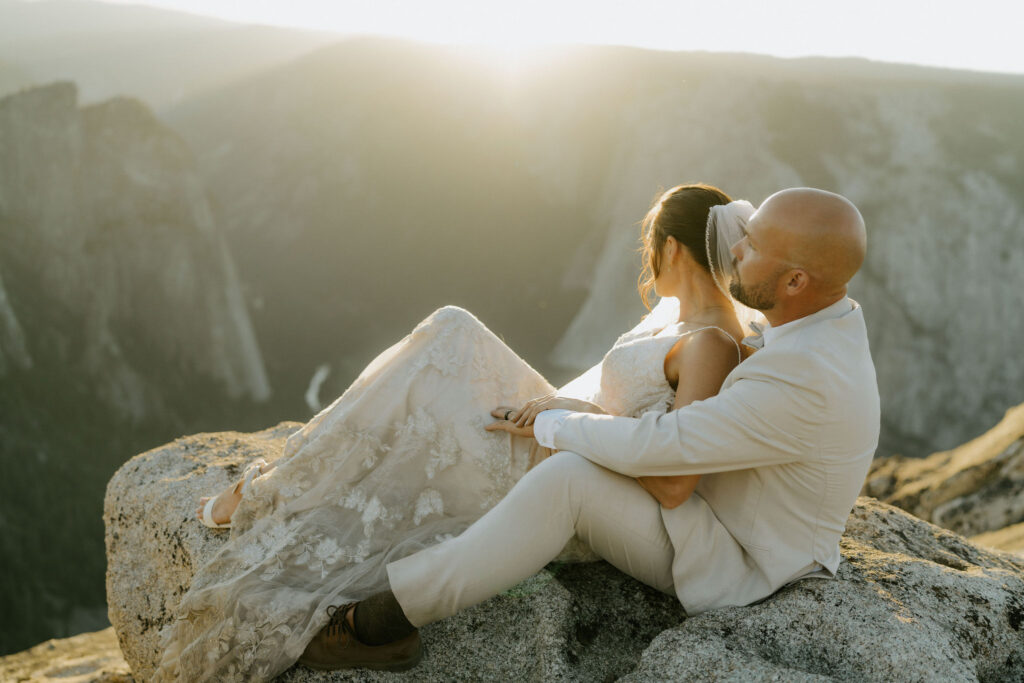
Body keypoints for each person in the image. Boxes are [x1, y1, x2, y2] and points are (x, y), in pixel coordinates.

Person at [156, 183, 753, 681]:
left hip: (580, 477)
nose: (647, 263)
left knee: (444, 354)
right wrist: (549, 406)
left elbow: (674, 474)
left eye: (650, 248)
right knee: (450, 336)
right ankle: (290, 474)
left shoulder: (711, 343)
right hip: (562, 434)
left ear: (671, 248)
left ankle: (274, 488)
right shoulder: (677, 318)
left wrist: (570, 418)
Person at [297, 187, 880, 673]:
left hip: (740, 561)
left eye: (752, 247)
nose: (735, 250)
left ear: (795, 282)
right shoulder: (818, 330)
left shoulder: (805, 378)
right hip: (711, 509)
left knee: (567, 482)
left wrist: (557, 422)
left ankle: (381, 623)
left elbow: (670, 452)